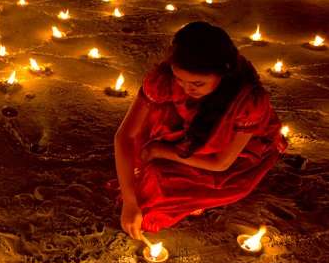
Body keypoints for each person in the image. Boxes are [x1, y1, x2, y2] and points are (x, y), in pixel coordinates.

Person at [114, 21, 287, 240]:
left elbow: (221, 163)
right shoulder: (164, 81)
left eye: (198, 83)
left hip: (225, 158)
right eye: (179, 79)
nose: (186, 88)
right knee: (137, 194)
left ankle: (195, 197)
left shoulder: (247, 102)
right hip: (180, 135)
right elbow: (124, 136)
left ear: (222, 73)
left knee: (151, 209)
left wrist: (160, 151)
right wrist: (130, 203)